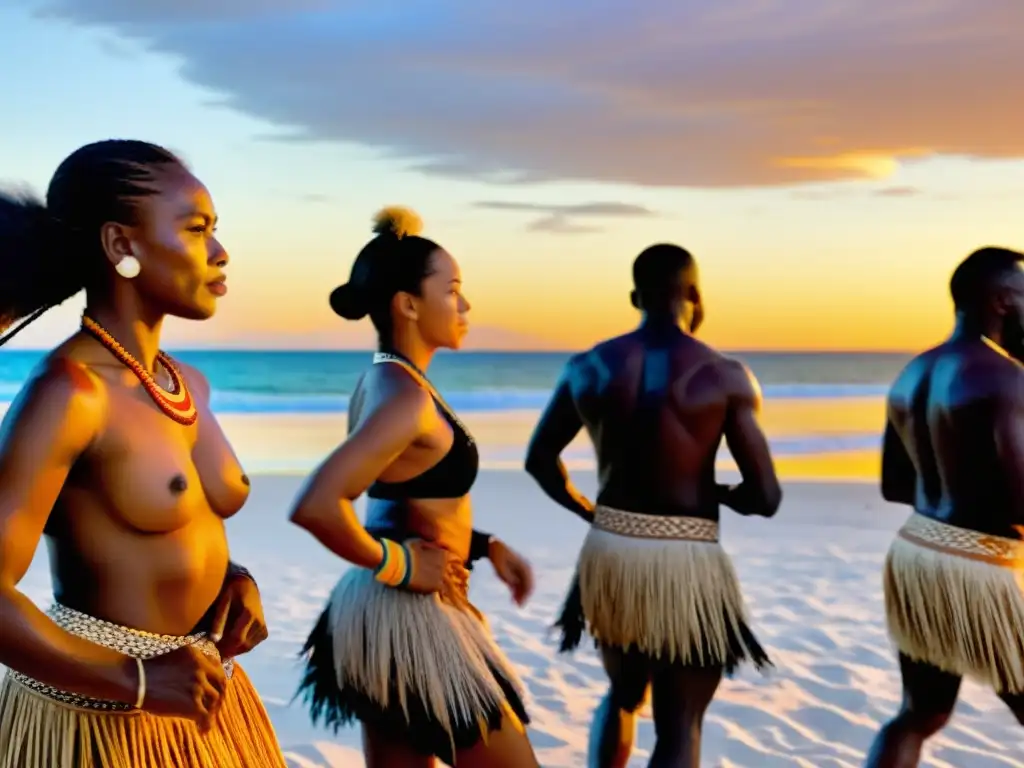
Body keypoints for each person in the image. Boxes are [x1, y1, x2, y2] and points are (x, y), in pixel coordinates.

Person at [0, 140, 287, 768]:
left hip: (204, 704)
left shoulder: (189, 383)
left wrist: (231, 581)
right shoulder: (71, 393)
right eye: (196, 229)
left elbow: (164, 525)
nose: (219, 251)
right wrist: (134, 681)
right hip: (99, 719)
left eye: (216, 229)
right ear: (121, 246)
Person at [290, 207, 539, 768]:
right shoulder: (404, 396)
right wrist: (402, 566)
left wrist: (483, 546)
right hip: (407, 610)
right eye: (451, 289)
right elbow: (317, 505)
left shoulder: (389, 379)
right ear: (407, 304)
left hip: (381, 611)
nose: (465, 305)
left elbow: (399, 501)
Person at [524, 243, 781, 768]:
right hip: (685, 558)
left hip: (613, 551)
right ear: (695, 295)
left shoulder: (588, 366)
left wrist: (585, 510)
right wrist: (722, 494)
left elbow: (540, 461)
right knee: (680, 722)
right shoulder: (726, 375)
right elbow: (766, 496)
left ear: (634, 296)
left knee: (621, 695)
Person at [864, 246, 1024, 768]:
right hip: (977, 566)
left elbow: (894, 485)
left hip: (917, 552)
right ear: (1003, 301)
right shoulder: (1005, 378)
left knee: (921, 713)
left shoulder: (914, 373)